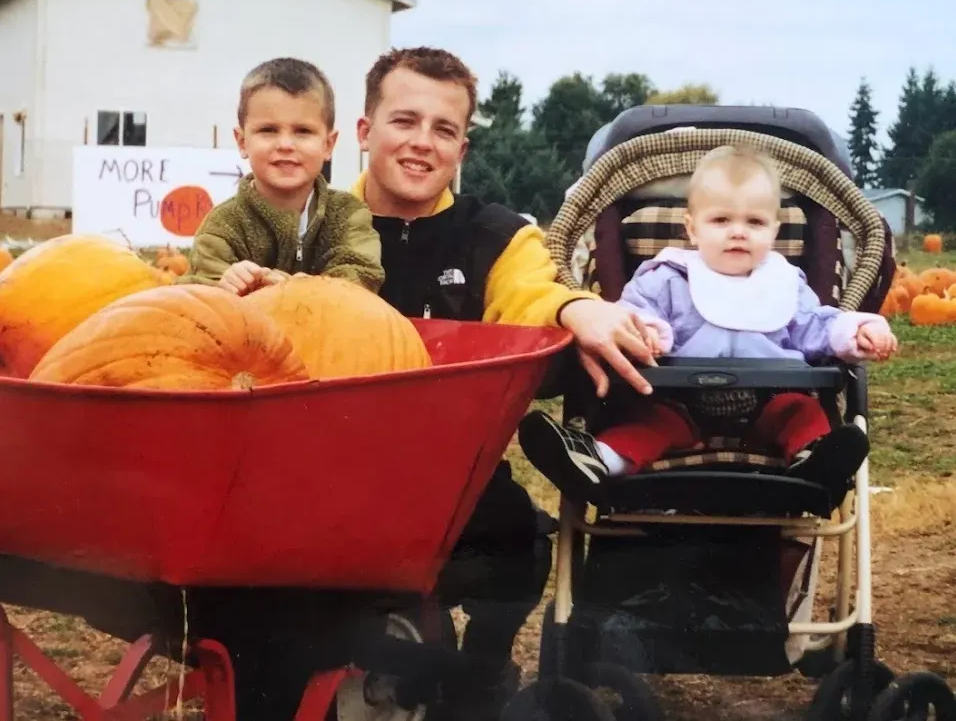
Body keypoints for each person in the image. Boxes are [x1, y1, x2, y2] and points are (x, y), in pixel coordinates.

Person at [349, 46, 659, 719]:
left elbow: (530, 295)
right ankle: (387, 658)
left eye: (444, 129)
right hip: (333, 476)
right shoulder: (319, 227)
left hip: (452, 479)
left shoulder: (497, 236)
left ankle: (481, 669)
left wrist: (575, 308)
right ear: (365, 131)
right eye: (404, 121)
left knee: (519, 541)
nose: (423, 142)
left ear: (462, 148)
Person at [520, 144, 898, 507]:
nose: (738, 232)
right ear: (692, 228)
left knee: (801, 412)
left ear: (775, 230)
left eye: (754, 222)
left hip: (770, 404)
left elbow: (815, 326)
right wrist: (644, 333)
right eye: (721, 220)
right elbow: (630, 314)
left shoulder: (786, 285)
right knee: (645, 423)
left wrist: (855, 331)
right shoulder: (665, 278)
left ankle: (816, 458)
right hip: (676, 403)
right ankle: (598, 460)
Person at [186, 56, 383, 294]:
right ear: (242, 142)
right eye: (268, 130)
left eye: (303, 131)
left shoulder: (348, 214)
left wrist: (299, 289)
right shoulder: (223, 226)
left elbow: (360, 274)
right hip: (243, 318)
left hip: (325, 316)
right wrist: (224, 284)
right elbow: (196, 292)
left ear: (328, 145)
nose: (286, 144)